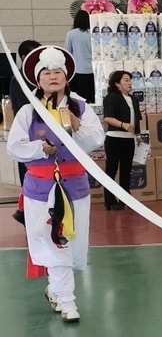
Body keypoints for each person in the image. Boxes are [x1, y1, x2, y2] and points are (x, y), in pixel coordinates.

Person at [7, 46, 104, 322]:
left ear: (66, 77)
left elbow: (96, 140)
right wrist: (41, 149)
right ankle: (68, 300)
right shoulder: (28, 111)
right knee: (53, 242)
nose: (53, 77)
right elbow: (14, 148)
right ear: (38, 80)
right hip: (41, 190)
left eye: (57, 72)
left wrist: (75, 123)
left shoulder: (81, 107)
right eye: (46, 72)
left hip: (75, 187)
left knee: (72, 242)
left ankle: (56, 290)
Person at [100, 69, 140, 211]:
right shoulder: (111, 97)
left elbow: (137, 119)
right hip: (115, 138)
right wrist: (123, 125)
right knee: (111, 170)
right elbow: (108, 117)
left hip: (129, 139)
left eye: (130, 80)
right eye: (126, 80)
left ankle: (125, 198)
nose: (129, 83)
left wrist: (138, 134)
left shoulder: (133, 99)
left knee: (126, 170)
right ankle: (109, 200)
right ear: (117, 84)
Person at [63, 10, 95, 103]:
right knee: (93, 96)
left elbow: (67, 52)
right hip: (93, 70)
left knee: (80, 98)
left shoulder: (71, 34)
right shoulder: (93, 33)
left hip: (78, 70)